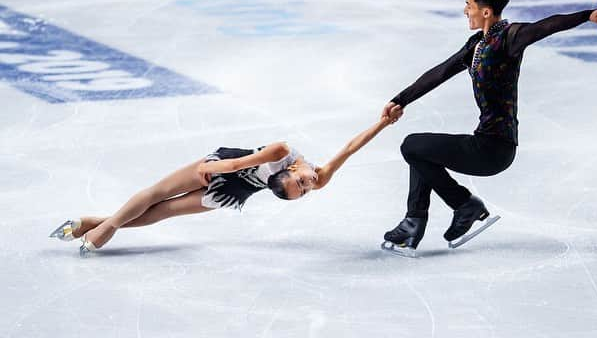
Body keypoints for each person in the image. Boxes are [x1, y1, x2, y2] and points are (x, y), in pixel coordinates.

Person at [380, 0, 597, 256]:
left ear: (486, 11)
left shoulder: (509, 37)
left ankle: (461, 206)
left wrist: (584, 16)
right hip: (484, 140)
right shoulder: (476, 45)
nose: (465, 10)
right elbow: (441, 71)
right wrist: (400, 100)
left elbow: (545, 26)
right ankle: (417, 222)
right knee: (420, 152)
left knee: (412, 145)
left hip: (495, 148)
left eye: (469, 5)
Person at [50, 110, 401, 256]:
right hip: (228, 166)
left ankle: (93, 224)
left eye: (304, 190)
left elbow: (350, 151)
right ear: (290, 171)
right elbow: (244, 161)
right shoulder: (280, 150)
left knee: (163, 212)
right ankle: (107, 227)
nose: (311, 184)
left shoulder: (319, 180)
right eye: (304, 184)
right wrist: (209, 166)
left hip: (235, 191)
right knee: (157, 192)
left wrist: (383, 126)